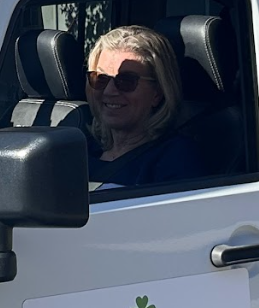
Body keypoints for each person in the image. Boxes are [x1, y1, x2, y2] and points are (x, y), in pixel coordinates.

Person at [82, 25, 202, 188]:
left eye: (126, 81)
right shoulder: (79, 148)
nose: (110, 91)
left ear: (157, 93)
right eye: (100, 78)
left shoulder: (176, 159)